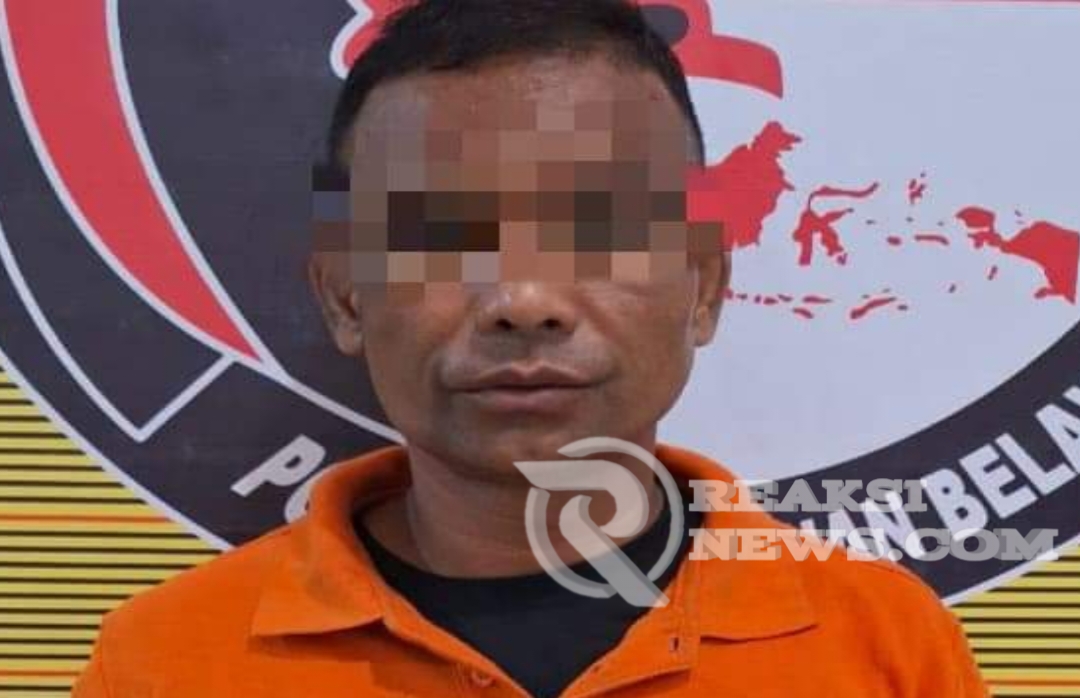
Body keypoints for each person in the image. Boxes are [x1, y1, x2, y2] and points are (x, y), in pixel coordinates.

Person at [73, 0, 987, 696]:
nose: (524, 302)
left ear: (704, 287)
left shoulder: (882, 645)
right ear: (345, 297)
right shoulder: (165, 662)